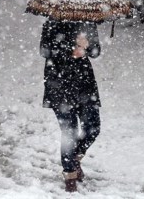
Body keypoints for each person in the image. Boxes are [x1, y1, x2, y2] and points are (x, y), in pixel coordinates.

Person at [40, 19, 101, 192]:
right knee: (70, 132)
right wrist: (71, 48)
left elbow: (96, 52)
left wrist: (87, 46)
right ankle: (70, 175)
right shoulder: (52, 23)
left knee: (93, 127)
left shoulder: (88, 23)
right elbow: (45, 50)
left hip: (84, 85)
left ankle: (73, 158)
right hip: (59, 84)